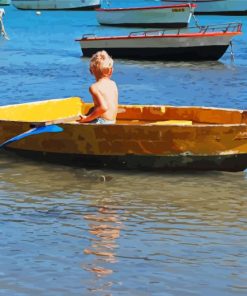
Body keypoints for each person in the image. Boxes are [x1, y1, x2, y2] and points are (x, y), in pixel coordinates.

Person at [77, 50, 118, 124]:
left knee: (81, 122)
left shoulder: (94, 87)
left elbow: (103, 108)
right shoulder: (113, 84)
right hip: (112, 121)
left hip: (102, 122)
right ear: (111, 70)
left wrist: (87, 118)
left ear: (91, 71)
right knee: (92, 109)